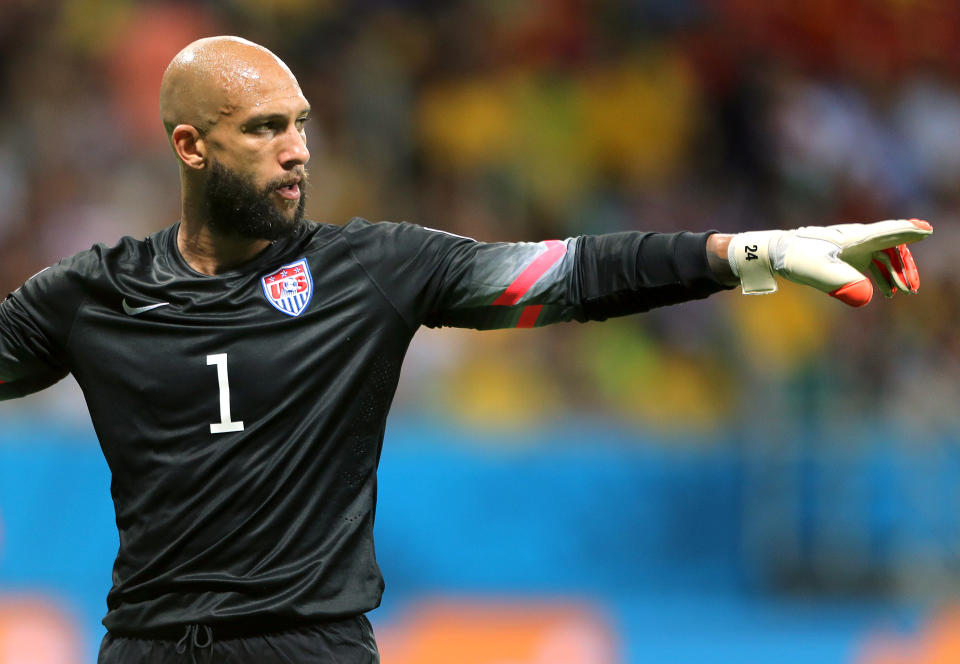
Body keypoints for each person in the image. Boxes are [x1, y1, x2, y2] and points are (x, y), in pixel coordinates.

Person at [0, 36, 932, 663]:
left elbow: (564, 274)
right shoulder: (93, 291)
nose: (297, 151)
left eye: (301, 124)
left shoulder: (371, 270)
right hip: (150, 647)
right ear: (190, 146)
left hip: (311, 646)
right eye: (264, 129)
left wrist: (748, 254)